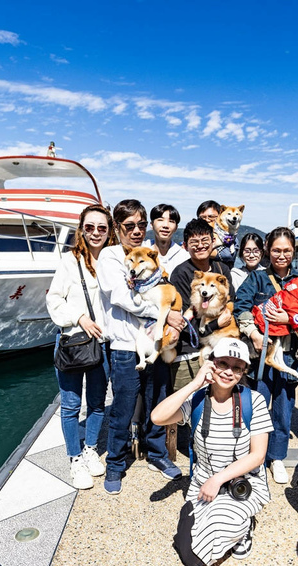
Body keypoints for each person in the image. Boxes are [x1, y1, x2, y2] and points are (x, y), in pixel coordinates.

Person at [151, 339, 272, 566]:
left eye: (237, 368)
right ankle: (226, 519)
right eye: (222, 363)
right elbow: (157, 417)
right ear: (211, 363)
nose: (228, 372)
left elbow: (258, 456)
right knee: (189, 546)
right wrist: (194, 384)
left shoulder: (253, 401)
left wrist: (218, 480)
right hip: (204, 483)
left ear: (243, 372)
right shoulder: (197, 399)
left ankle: (244, 526)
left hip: (242, 483)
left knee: (216, 534)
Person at [97, 199, 184, 494]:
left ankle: (157, 454)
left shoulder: (149, 253)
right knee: (122, 408)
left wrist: (170, 314)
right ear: (117, 227)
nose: (136, 231)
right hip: (125, 346)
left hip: (155, 343)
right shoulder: (110, 256)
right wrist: (163, 313)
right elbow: (122, 296)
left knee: (157, 401)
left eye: (141, 225)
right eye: (129, 225)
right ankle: (115, 463)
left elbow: (164, 289)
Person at [45, 204, 116, 489]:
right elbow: (54, 299)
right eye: (90, 227)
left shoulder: (114, 261)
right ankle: (75, 458)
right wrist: (80, 317)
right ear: (82, 230)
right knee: (71, 405)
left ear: (109, 231)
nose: (96, 232)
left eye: (102, 228)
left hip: (103, 344)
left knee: (97, 403)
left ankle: (90, 449)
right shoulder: (69, 261)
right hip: (73, 342)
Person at [234, 227, 298, 484]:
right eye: (276, 250)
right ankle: (256, 457)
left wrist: (290, 319)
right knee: (258, 408)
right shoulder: (257, 278)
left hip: (289, 355)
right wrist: (252, 333)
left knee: (284, 408)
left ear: (294, 250)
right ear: (267, 250)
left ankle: (277, 458)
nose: (281, 255)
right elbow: (240, 306)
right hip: (261, 356)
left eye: (287, 250)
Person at [168, 218, 235, 391]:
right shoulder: (181, 273)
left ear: (213, 241)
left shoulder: (222, 269)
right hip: (188, 353)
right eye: (194, 242)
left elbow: (231, 301)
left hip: (219, 351)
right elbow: (182, 320)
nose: (200, 246)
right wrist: (215, 324)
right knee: (185, 400)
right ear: (185, 246)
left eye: (205, 240)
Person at [144, 203, 189, 276]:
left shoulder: (184, 257)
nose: (165, 225)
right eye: (160, 220)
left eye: (171, 221)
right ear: (151, 225)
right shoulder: (141, 250)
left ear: (176, 228)